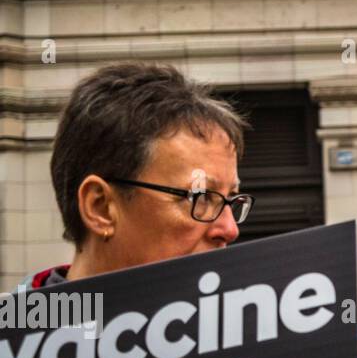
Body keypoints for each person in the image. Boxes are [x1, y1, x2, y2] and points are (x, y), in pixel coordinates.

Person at [16, 62, 252, 291]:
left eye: (231, 198)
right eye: (199, 197)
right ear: (100, 207)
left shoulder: (250, 325)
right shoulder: (19, 328)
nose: (230, 229)